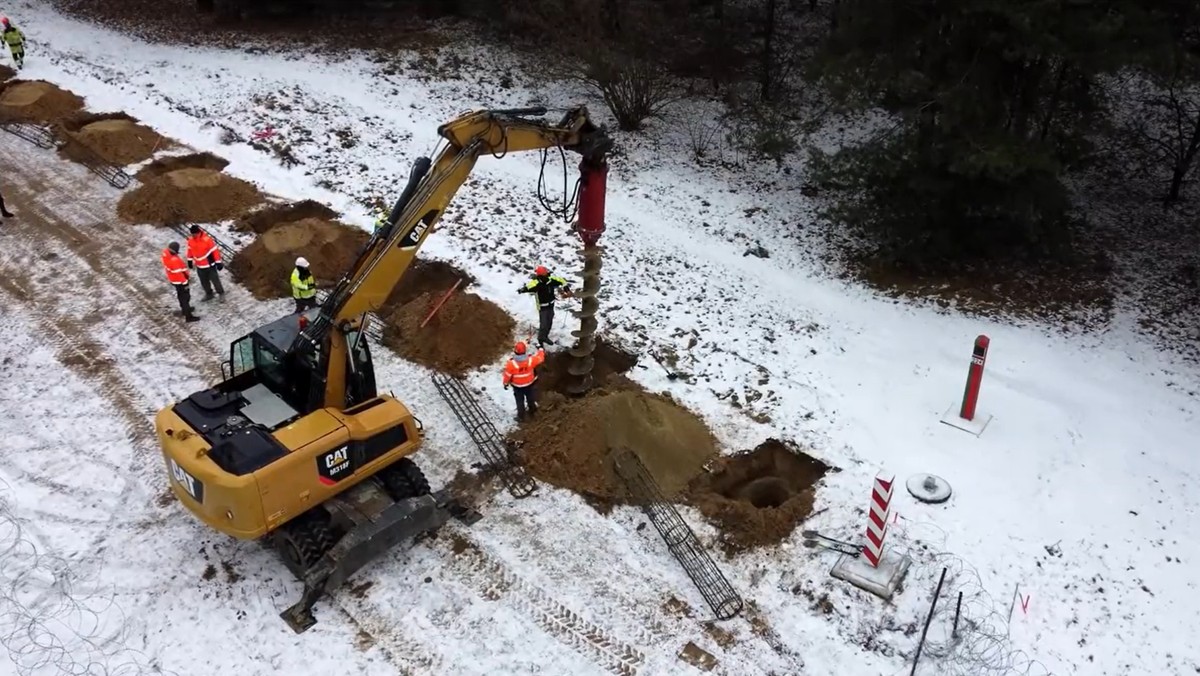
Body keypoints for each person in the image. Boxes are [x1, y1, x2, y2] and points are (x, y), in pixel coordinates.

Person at [517, 265, 572, 347]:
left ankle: (545, 336)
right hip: (542, 307)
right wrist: (521, 290)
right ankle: (540, 340)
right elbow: (528, 287)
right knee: (544, 324)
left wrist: (567, 290)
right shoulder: (536, 283)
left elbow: (562, 281)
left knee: (549, 322)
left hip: (551, 304)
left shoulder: (551, 279)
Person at [502, 340, 546, 422]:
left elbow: (507, 376)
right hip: (529, 384)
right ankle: (533, 410)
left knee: (519, 401)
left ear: (515, 351)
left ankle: (521, 416)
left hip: (517, 387)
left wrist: (505, 384)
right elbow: (541, 358)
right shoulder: (530, 360)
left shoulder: (511, 364)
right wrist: (540, 349)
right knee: (530, 398)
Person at [186, 224, 225, 301]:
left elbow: (215, 251)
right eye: (192, 234)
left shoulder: (207, 240)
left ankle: (221, 293)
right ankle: (209, 294)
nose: (193, 235)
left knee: (215, 280)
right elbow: (190, 251)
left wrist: (218, 262)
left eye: (194, 234)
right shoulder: (190, 241)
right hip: (199, 266)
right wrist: (189, 260)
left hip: (209, 265)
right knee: (204, 282)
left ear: (198, 232)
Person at [162, 242, 200, 323]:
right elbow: (179, 274)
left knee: (181, 295)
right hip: (180, 281)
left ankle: (184, 310)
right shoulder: (174, 260)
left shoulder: (166, 254)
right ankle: (188, 316)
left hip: (173, 280)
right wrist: (185, 282)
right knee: (185, 297)